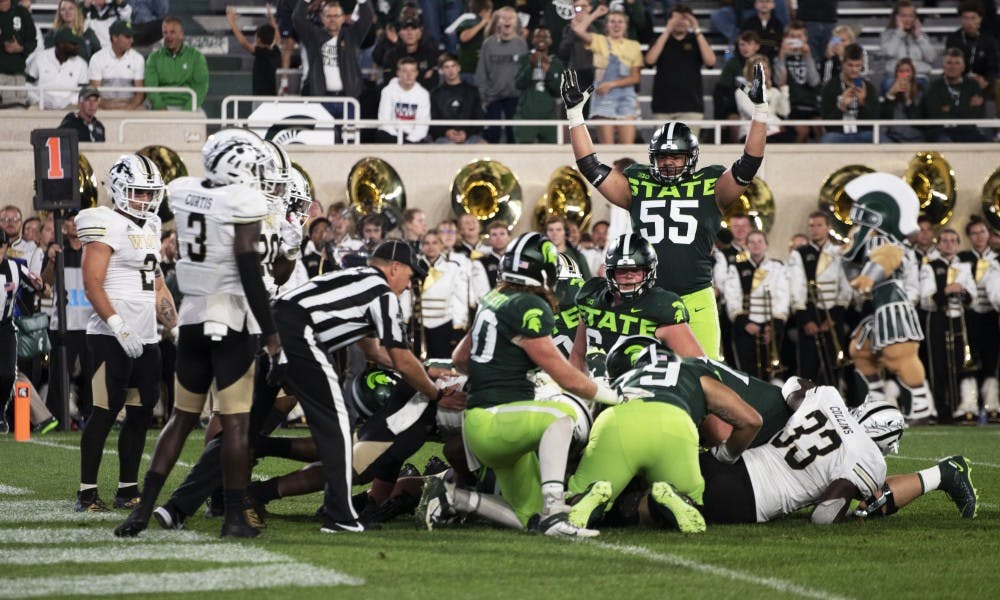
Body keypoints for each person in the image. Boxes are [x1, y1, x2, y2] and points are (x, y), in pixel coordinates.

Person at [114, 129, 281, 538]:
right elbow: (246, 264)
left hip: (192, 316)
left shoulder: (184, 189)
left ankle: (143, 510)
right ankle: (235, 517)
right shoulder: (244, 199)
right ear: (237, 166)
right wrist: (272, 332)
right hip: (231, 318)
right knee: (237, 423)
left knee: (180, 418)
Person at [563, 60, 770, 361]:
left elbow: (749, 163)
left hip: (696, 296)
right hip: (647, 299)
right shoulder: (637, 181)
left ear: (691, 157)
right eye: (663, 157)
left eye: (677, 156)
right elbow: (590, 166)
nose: (669, 163)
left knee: (705, 381)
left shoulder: (709, 183)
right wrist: (574, 116)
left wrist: (760, 113)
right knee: (640, 378)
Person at [271, 239, 463, 532]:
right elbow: (399, 359)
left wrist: (423, 370)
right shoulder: (381, 293)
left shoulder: (356, 278)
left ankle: (225, 492)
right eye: (410, 277)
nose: (410, 286)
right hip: (298, 344)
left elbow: (375, 352)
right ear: (395, 267)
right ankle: (324, 511)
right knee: (340, 442)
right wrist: (435, 392)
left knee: (252, 421)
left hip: (275, 331)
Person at [455, 232, 622, 537]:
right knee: (559, 418)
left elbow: (460, 358)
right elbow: (565, 376)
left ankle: (457, 498)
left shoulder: (493, 299)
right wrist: (614, 397)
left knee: (526, 515)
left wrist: (499, 375)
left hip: (485, 422)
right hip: (497, 421)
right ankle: (556, 509)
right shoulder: (529, 306)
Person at [566, 336, 763, 533]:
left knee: (579, 495)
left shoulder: (621, 380)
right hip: (675, 423)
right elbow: (751, 421)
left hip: (617, 420)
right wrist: (727, 455)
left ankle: (586, 495)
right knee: (691, 501)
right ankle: (674, 496)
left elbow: (594, 425)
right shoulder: (693, 371)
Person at [74, 154, 176, 513]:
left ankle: (127, 489)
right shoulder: (104, 222)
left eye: (149, 194)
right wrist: (118, 325)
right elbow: (91, 283)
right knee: (103, 410)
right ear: (118, 190)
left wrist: (173, 324)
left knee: (139, 413)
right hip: (109, 336)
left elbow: (158, 284)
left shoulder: (149, 229)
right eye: (137, 192)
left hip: (147, 338)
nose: (145, 200)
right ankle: (86, 493)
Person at [841, 173, 934, 423]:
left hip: (893, 304)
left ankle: (923, 405)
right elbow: (852, 268)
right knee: (859, 350)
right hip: (877, 308)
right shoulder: (868, 242)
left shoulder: (886, 240)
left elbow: (885, 258)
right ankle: (880, 402)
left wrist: (868, 278)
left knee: (899, 355)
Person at [569, 233, 704, 365]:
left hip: (640, 385)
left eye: (636, 270)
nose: (629, 276)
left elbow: (696, 366)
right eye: (622, 270)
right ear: (610, 272)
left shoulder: (662, 306)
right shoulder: (592, 295)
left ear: (648, 272)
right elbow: (578, 355)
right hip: (597, 384)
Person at [919, 228, 977, 423]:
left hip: (958, 318)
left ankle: (961, 407)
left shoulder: (965, 267)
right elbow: (926, 298)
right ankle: (940, 409)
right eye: (944, 241)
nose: (949, 244)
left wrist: (962, 293)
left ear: (959, 244)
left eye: (953, 241)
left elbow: (972, 295)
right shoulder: (930, 266)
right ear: (938, 244)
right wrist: (947, 290)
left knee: (959, 361)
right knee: (938, 364)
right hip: (937, 318)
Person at [787, 211, 851, 387]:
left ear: (828, 227)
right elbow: (796, 288)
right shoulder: (800, 253)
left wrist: (834, 317)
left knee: (834, 366)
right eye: (811, 225)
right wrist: (805, 319)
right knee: (808, 366)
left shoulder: (840, 252)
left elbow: (845, 286)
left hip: (833, 315)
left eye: (819, 225)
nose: (814, 229)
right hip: (809, 314)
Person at [723, 230, 789, 380]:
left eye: (760, 241)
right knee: (746, 372)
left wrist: (774, 325)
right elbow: (732, 296)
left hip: (770, 327)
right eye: (751, 242)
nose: (756, 245)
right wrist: (743, 322)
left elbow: (782, 296)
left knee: (770, 373)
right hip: (746, 326)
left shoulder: (778, 267)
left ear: (766, 245)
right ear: (746, 246)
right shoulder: (736, 268)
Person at [570, 8, 641, 144]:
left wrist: (611, 84)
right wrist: (595, 14)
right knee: (607, 148)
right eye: (612, 22)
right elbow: (578, 30)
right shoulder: (599, 40)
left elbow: (635, 78)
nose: (616, 25)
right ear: (606, 26)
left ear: (626, 26)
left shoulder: (634, 46)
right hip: (604, 96)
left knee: (628, 147)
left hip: (625, 96)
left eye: (620, 22)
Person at [293, 0, 374, 120]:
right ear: (322, 18)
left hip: (348, 99)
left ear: (343, 18)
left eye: (336, 16)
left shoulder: (352, 36)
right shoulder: (313, 36)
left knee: (350, 138)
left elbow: (367, 16)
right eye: (328, 16)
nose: (332, 19)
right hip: (321, 99)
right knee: (323, 138)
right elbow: (297, 18)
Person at [644, 4, 716, 137]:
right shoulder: (659, 40)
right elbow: (649, 61)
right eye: (676, 19)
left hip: (691, 106)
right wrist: (667, 31)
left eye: (685, 18)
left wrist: (697, 30)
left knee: (688, 152)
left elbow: (711, 61)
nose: (680, 22)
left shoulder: (697, 41)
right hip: (662, 107)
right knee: (662, 151)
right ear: (669, 21)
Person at [957, 217, 1000, 422]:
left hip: (993, 316)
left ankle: (992, 405)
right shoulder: (962, 258)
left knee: (992, 361)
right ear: (969, 237)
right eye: (974, 233)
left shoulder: (998, 258)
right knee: (969, 361)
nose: (979, 237)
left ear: (988, 234)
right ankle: (969, 405)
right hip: (970, 316)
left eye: (982, 232)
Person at [0, 229, 43, 432]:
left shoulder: (15, 267)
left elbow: (36, 283)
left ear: (6, 247)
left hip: (5, 327)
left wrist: (41, 285)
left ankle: (1, 411)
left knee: (8, 374)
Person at [475, 6, 526, 143]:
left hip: (515, 96)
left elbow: (525, 72)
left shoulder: (521, 44)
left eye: (511, 17)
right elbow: (481, 72)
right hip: (493, 96)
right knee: (493, 134)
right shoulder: (488, 44)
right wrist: (484, 95)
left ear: (516, 22)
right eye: (503, 17)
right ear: (497, 21)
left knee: (513, 135)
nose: (507, 20)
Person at [414, 230, 468, 358]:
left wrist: (458, 323)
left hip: (444, 322)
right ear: (422, 247)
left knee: (442, 361)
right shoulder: (415, 267)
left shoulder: (453, 268)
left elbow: (460, 298)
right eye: (426, 243)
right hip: (420, 323)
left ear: (441, 245)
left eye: (434, 243)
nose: (430, 246)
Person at [920, 48, 988, 143]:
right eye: (949, 63)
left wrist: (950, 109)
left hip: (967, 131)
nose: (953, 67)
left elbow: (977, 114)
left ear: (963, 67)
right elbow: (934, 115)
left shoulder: (973, 85)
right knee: (946, 143)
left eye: (957, 63)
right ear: (943, 66)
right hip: (941, 131)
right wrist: (966, 108)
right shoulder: (934, 86)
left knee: (988, 144)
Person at [946, 0, 998, 115]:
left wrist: (986, 81)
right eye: (966, 18)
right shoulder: (953, 39)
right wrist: (967, 78)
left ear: (980, 19)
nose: (969, 22)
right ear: (961, 19)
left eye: (973, 18)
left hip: (983, 82)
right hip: (959, 80)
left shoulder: (988, 40)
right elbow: (950, 65)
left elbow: (993, 67)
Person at [145, 17, 209, 111]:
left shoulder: (196, 57)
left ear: (181, 35)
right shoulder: (153, 58)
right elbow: (150, 86)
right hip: (162, 106)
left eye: (172, 32)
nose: (168, 36)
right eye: (165, 32)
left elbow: (201, 87)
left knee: (201, 121)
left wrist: (188, 110)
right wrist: (160, 106)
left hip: (188, 105)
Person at [819, 43, 879, 143]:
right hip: (838, 133)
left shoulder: (869, 88)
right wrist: (841, 107)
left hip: (863, 133)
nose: (854, 70)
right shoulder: (830, 87)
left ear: (862, 65)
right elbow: (828, 125)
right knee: (827, 140)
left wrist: (862, 103)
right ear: (843, 64)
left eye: (858, 65)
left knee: (880, 140)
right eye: (850, 65)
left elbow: (873, 124)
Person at [513, 26, 563, 144]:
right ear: (532, 40)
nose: (541, 39)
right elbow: (519, 83)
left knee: (552, 156)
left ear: (550, 40)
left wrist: (549, 71)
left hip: (549, 117)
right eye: (537, 36)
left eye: (545, 36)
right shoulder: (524, 59)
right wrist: (531, 66)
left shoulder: (556, 62)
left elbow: (559, 90)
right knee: (523, 154)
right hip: (526, 116)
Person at [773, 20, 821, 143]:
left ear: (806, 38)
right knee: (802, 130)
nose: (795, 40)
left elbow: (814, 81)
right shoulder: (777, 57)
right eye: (792, 37)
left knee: (819, 126)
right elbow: (779, 82)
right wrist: (782, 56)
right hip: (789, 107)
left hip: (810, 106)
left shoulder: (813, 55)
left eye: (799, 36)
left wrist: (807, 56)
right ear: (784, 39)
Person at [87, 21, 146, 110]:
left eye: (132, 37)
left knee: (143, 110)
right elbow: (93, 92)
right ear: (114, 38)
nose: (132, 40)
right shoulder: (97, 58)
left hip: (130, 103)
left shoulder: (138, 58)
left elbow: (140, 94)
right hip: (103, 104)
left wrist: (128, 108)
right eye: (127, 37)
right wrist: (107, 106)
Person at [26, 28, 89, 110]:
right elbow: (27, 84)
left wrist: (72, 102)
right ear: (61, 44)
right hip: (40, 105)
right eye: (73, 44)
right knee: (31, 111)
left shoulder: (81, 64)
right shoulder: (40, 58)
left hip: (69, 107)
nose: (77, 47)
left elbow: (82, 90)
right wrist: (37, 101)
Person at [226, 5, 281, 97]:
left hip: (260, 97)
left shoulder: (260, 53)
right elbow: (277, 36)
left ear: (258, 40)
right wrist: (271, 18)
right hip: (272, 97)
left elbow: (243, 42)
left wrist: (232, 23)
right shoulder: (276, 52)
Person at [430, 53, 485, 144]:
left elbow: (479, 118)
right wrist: (446, 132)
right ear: (441, 70)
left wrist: (466, 133)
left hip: (470, 137)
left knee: (486, 147)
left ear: (459, 68)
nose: (450, 70)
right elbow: (433, 122)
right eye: (446, 67)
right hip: (444, 138)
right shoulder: (435, 95)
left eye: (453, 66)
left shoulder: (472, 91)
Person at [879, 0, 938, 83]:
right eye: (904, 16)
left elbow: (931, 57)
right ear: (896, 17)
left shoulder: (921, 35)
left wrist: (918, 38)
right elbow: (889, 52)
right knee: (889, 84)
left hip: (918, 76)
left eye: (911, 16)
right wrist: (899, 33)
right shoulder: (887, 35)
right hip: (895, 77)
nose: (908, 19)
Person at [735, 54, 791, 141]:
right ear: (750, 72)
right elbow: (755, 113)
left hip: (774, 133)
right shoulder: (742, 92)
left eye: (765, 68)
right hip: (750, 134)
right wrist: (777, 123)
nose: (763, 71)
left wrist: (783, 89)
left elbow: (784, 112)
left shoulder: (774, 91)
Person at [375, 57, 431, 143]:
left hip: (412, 137)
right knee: (381, 134)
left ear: (416, 73)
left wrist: (409, 141)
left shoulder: (423, 94)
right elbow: (384, 120)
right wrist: (399, 140)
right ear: (398, 73)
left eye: (412, 71)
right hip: (391, 135)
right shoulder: (388, 91)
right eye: (405, 71)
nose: (409, 75)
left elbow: (422, 125)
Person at [377, 14, 440, 92]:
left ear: (420, 33)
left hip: (423, 97)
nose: (409, 33)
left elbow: (433, 82)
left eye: (413, 28)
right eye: (405, 29)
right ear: (399, 33)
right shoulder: (391, 55)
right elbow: (389, 81)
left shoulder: (429, 53)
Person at [0, 0, 37, 108]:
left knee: (18, 112)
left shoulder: (22, 12)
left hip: (18, 74)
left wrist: (20, 48)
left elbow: (32, 41)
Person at [880, 58, 925, 143]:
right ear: (896, 74)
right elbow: (883, 118)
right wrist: (890, 95)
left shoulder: (920, 91)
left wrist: (908, 100)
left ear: (912, 73)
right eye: (901, 71)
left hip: (916, 137)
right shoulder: (890, 90)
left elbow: (918, 121)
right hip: (894, 137)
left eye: (907, 71)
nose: (904, 75)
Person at [469, 220, 508, 306]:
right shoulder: (481, 262)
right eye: (494, 235)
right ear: (489, 239)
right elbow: (482, 294)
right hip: (493, 307)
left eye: (502, 234)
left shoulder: (517, 260)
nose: (498, 238)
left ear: (509, 237)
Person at [544, 216, 591, 281]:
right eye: (551, 230)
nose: (554, 234)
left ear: (565, 233)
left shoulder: (578, 257)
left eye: (558, 230)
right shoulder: (540, 256)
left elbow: (589, 284)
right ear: (546, 233)